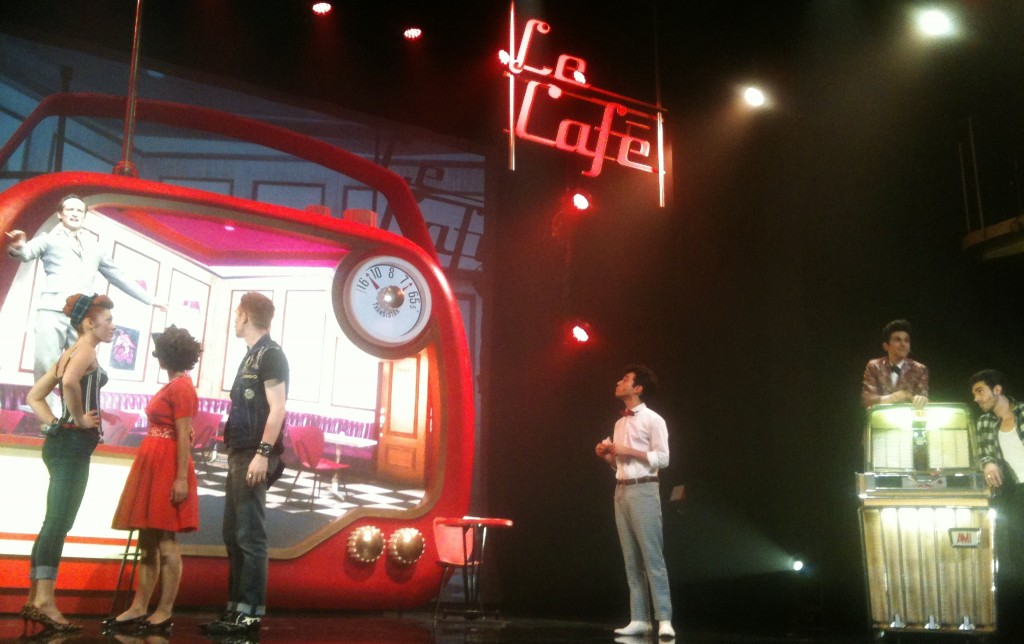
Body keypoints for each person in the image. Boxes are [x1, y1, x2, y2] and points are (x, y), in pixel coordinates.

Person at [6, 194, 164, 416]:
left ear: (84, 216)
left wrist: (150, 299)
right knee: (45, 363)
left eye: (79, 211)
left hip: (81, 316)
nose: (75, 214)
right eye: (70, 210)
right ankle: (47, 418)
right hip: (52, 310)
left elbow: (117, 275)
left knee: (82, 367)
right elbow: (26, 252)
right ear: (60, 215)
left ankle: (76, 417)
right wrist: (19, 246)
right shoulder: (47, 239)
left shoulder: (95, 246)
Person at [20, 293, 115, 633]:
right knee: (58, 523)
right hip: (72, 446)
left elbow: (35, 396)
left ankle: (36, 599)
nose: (113, 326)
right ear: (89, 323)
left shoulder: (69, 353)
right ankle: (44, 601)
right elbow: (72, 383)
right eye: (108, 321)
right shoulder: (85, 350)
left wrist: (55, 424)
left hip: (63, 444)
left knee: (53, 522)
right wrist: (78, 419)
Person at [105, 326, 203, 635]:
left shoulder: (182, 387)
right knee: (147, 541)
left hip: (167, 465)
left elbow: (184, 435)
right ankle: (139, 605)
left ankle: (164, 610)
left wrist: (180, 479)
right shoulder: (173, 385)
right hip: (154, 463)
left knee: (165, 541)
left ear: (168, 354)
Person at [201, 292, 288, 636]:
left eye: (237, 314)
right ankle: (235, 609)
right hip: (241, 451)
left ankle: (249, 613)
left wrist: (263, 453)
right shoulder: (252, 355)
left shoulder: (271, 354)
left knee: (250, 535)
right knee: (233, 533)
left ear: (245, 316)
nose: (234, 320)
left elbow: (278, 408)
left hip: (254, 452)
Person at [595, 364, 674, 640]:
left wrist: (629, 450)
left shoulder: (654, 420)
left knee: (653, 557)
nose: (619, 382)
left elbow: (663, 459)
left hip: (644, 489)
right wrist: (606, 455)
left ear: (637, 388)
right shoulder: (619, 423)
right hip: (621, 490)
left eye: (625, 379)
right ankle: (639, 618)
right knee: (631, 560)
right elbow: (620, 465)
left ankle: (664, 619)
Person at [971, 369, 1024, 637]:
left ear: (997, 390)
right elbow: (982, 453)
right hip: (1014, 494)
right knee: (1016, 558)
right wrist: (987, 463)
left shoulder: (1022, 412)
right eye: (974, 393)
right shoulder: (984, 423)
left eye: (980, 391)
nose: (976, 398)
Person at [861, 319, 929, 408]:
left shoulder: (920, 369)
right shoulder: (874, 366)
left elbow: (923, 399)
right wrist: (890, 398)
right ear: (886, 346)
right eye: (898, 340)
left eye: (906, 341)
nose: (903, 344)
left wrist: (921, 399)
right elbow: (867, 399)